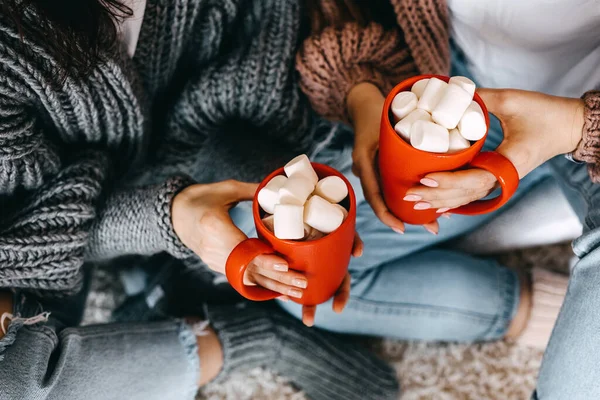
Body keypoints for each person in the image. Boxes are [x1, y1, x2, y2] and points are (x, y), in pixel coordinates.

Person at [0, 1, 401, 399]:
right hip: (38, 268)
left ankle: (178, 289)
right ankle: (251, 335)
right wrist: (169, 218)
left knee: (456, 283)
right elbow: (26, 237)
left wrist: (284, 195)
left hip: (209, 165)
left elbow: (254, 67)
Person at [272, 0, 600, 398]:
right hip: (469, 101)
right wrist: (363, 91)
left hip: (588, 125)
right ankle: (538, 305)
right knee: (304, 281)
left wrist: (575, 126)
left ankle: (547, 202)